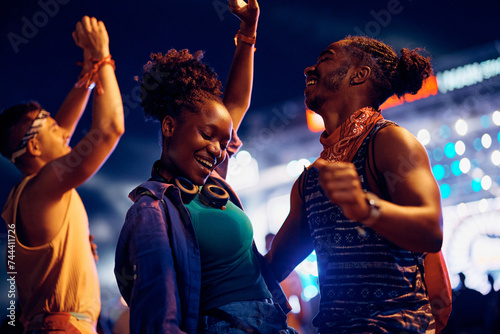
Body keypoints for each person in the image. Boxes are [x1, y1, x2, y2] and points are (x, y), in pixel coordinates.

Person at [114, 1, 293, 333]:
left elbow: (236, 104)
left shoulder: (213, 186)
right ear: (169, 126)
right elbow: (159, 317)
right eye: (207, 135)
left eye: (224, 143)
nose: (218, 150)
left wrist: (248, 32)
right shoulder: (151, 211)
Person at [266, 35, 444, 333]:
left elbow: (431, 231)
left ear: (359, 74)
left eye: (325, 59)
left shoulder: (388, 140)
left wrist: (365, 208)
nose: (309, 69)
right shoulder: (309, 181)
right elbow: (272, 267)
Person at [0, 16, 124, 333]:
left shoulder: (30, 192)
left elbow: (61, 137)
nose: (63, 132)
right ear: (35, 149)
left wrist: (88, 71)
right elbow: (109, 129)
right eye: (52, 127)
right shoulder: (41, 190)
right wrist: (104, 56)